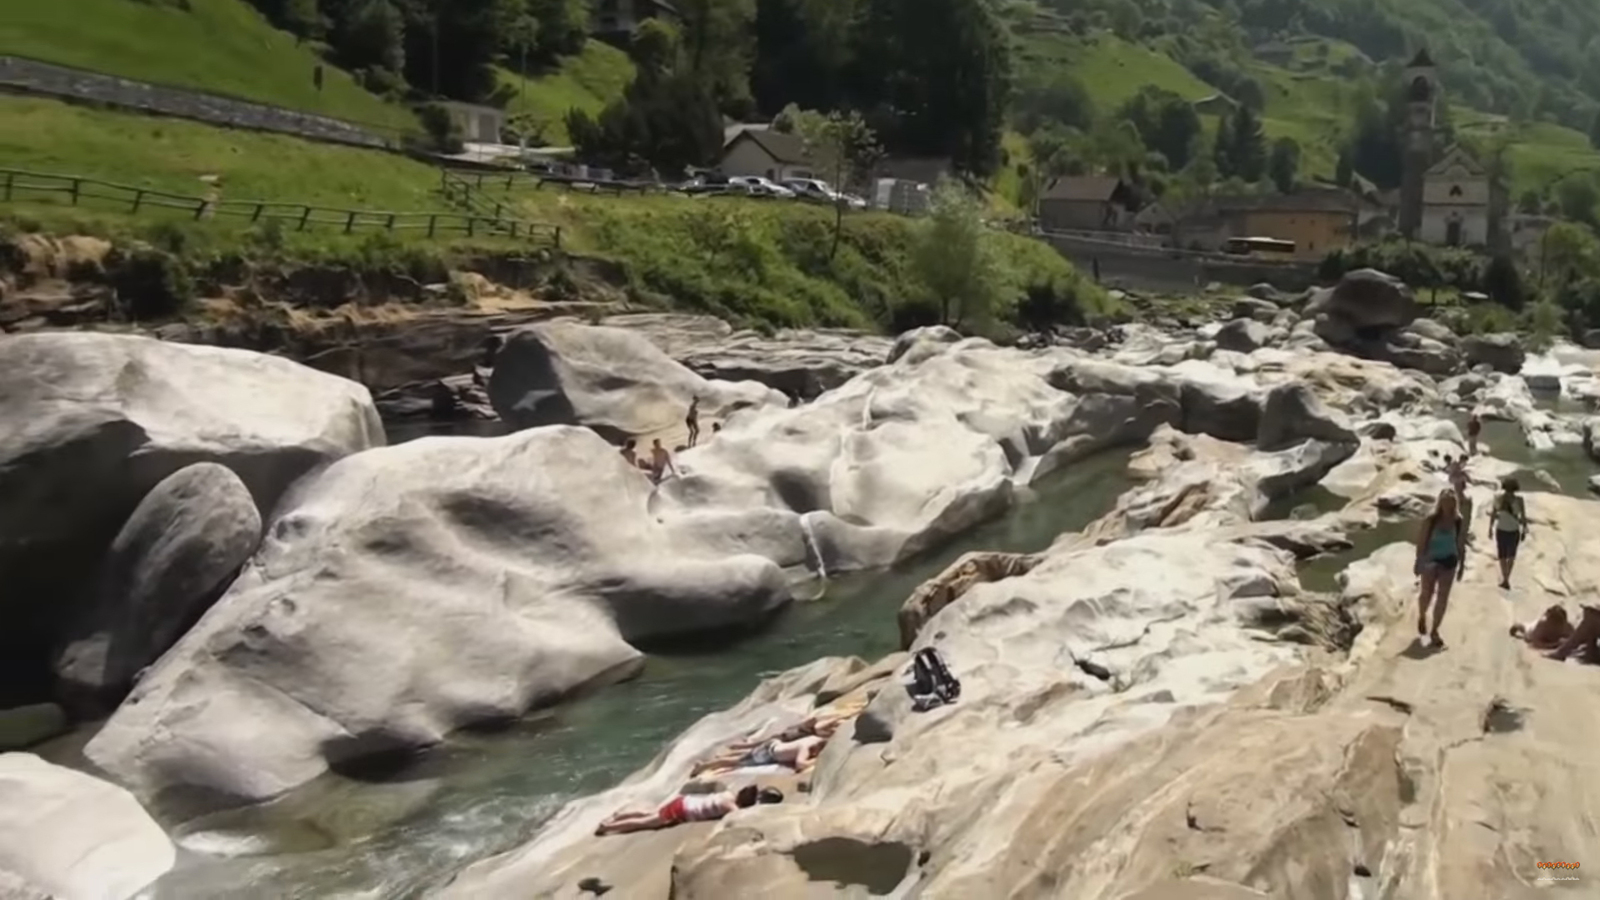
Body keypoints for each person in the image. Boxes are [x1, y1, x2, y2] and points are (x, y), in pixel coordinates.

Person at [594, 785, 782, 836]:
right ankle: (608, 827)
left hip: (684, 801)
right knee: (647, 823)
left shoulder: (728, 795)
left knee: (651, 812)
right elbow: (739, 818)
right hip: (682, 810)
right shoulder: (730, 806)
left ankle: (619, 815)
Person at [1414, 489, 1465, 648]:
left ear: (1454, 503)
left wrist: (1462, 563)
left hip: (1449, 561)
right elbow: (1422, 541)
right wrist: (1419, 561)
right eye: (1445, 500)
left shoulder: (1458, 520)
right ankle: (1422, 616)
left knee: (1442, 597)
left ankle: (1435, 630)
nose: (1447, 503)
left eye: (1450, 500)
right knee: (1426, 594)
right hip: (1431, 560)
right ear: (1440, 501)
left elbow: (1460, 542)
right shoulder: (1431, 519)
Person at [689, 734, 828, 778]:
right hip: (768, 754)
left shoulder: (813, 738)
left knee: (742, 755)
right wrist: (817, 760)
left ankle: (713, 761)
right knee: (735, 762)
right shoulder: (806, 747)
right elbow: (800, 764)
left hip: (774, 745)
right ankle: (704, 766)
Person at [1489, 477, 1529, 590]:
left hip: (1501, 529)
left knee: (1502, 555)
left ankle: (1505, 578)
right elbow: (1523, 516)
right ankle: (1507, 579)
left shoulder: (1498, 498)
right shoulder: (1519, 500)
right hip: (1514, 530)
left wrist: (1490, 528)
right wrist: (1524, 529)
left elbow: (1493, 514)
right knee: (1511, 556)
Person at [1447, 460, 1473, 580]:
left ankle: (1461, 567)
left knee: (1460, 546)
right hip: (1454, 525)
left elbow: (1467, 517)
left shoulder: (1466, 501)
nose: (1456, 487)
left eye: (1458, 485)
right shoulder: (1452, 499)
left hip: (1461, 525)